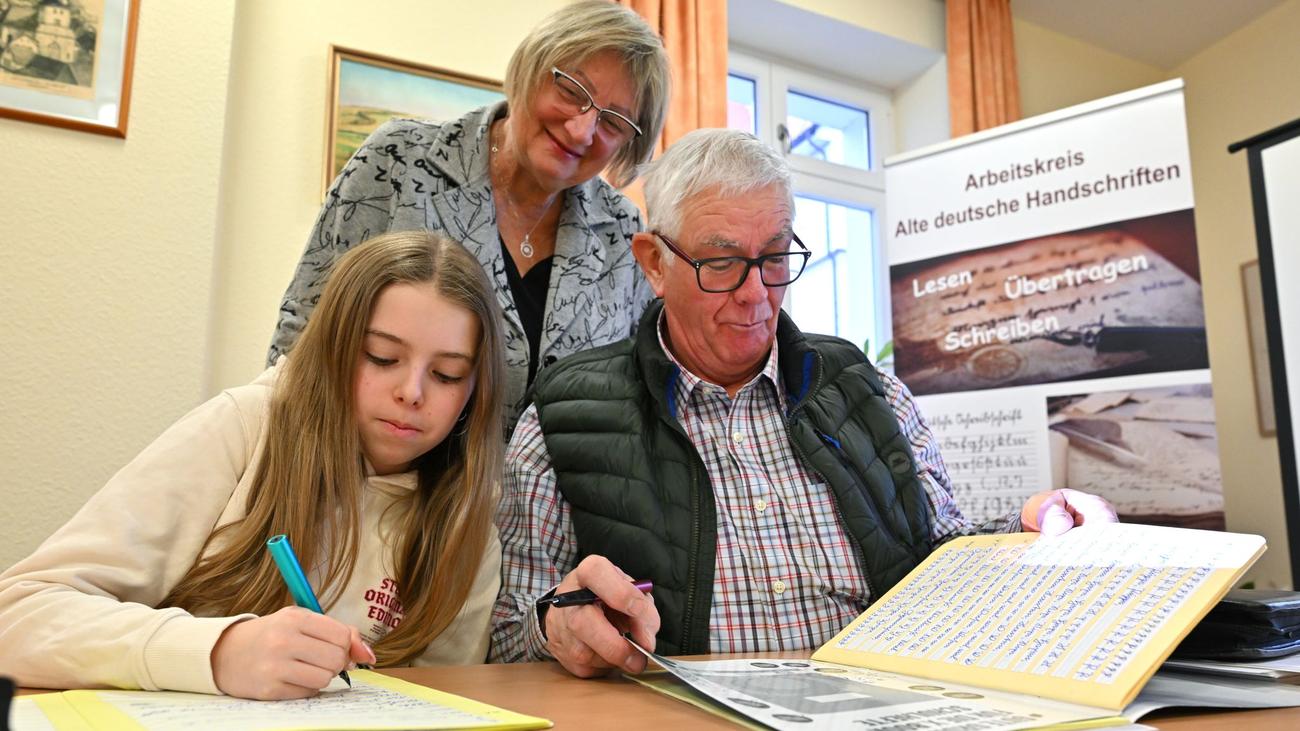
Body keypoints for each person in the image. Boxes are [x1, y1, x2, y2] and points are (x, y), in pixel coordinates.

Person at [489, 129, 1118, 677]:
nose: (757, 294)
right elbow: (510, 633)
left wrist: (1028, 532)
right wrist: (556, 626)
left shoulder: (869, 393)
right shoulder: (563, 419)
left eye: (775, 258)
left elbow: (939, 560)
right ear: (655, 263)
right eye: (723, 262)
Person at [0, 231, 507, 699]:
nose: (411, 393)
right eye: (380, 357)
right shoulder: (245, 428)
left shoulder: (467, 517)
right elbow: (18, 616)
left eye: (446, 374)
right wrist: (219, 652)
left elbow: (449, 698)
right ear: (334, 347)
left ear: (475, 391)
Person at [269, 0, 670, 431]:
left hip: (550, 499)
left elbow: (634, 400)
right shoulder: (400, 161)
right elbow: (302, 336)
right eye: (572, 91)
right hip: (374, 487)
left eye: (613, 122)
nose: (582, 129)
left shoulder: (623, 231)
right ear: (530, 67)